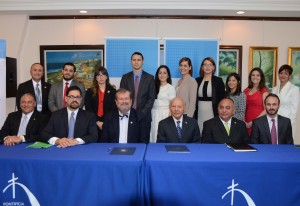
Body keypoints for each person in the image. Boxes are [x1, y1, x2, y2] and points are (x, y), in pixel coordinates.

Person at [120, 52, 155, 143]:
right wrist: (130, 112)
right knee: (130, 142)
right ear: (131, 62)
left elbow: (151, 98)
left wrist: (141, 113)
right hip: (128, 115)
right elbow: (122, 96)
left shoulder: (150, 78)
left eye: (138, 60)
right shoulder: (125, 78)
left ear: (142, 62)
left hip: (144, 117)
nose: (136, 62)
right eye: (134, 60)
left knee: (143, 143)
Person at [85, 66, 116, 141]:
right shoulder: (90, 91)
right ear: (96, 78)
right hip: (93, 122)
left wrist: (104, 122)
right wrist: (97, 121)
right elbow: (88, 108)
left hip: (108, 122)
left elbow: (113, 108)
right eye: (98, 75)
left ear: (106, 77)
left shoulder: (113, 91)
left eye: (103, 75)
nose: (101, 77)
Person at [195, 57, 225, 133]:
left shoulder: (218, 80)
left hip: (213, 111)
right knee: (200, 131)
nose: (207, 67)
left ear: (214, 67)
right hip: (199, 112)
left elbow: (222, 98)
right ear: (202, 67)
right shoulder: (197, 80)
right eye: (205, 64)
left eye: (210, 64)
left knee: (212, 131)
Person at [150, 65, 176, 143]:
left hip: (165, 113)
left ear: (168, 75)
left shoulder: (170, 88)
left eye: (164, 73)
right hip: (154, 113)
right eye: (160, 73)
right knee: (154, 133)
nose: (162, 75)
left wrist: (169, 117)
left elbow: (172, 104)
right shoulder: (153, 86)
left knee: (163, 134)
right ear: (157, 75)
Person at [272, 64, 299, 138]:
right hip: (274, 121)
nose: (283, 75)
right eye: (281, 73)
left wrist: (289, 124)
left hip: (287, 122)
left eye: (286, 73)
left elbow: (294, 110)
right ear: (278, 74)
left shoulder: (294, 89)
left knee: (286, 146)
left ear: (289, 76)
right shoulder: (274, 89)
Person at [244, 67, 269, 135]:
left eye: (258, 75)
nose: (255, 77)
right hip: (246, 122)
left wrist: (254, 122)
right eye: (253, 75)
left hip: (259, 121)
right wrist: (244, 121)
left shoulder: (264, 91)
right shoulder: (246, 90)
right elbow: (242, 107)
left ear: (261, 77)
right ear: (250, 77)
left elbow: (266, 109)